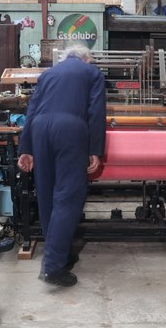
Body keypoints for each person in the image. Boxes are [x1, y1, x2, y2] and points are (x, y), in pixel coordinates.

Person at [17, 44, 106, 287]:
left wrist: (25, 148)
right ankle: (54, 267)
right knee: (68, 196)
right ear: (87, 59)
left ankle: (59, 253)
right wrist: (95, 150)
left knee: (46, 194)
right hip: (70, 130)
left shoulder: (47, 74)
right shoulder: (92, 73)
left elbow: (32, 109)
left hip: (40, 130)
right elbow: (96, 112)